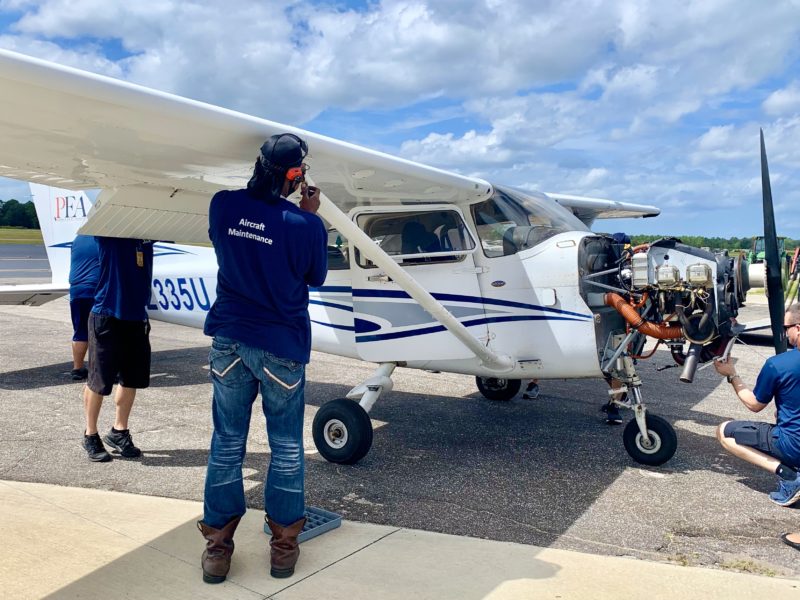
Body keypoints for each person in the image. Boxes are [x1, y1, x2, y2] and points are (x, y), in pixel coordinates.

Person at [197, 133, 328, 584]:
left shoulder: (222, 205)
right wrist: (309, 214)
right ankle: (283, 548)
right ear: (296, 175)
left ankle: (217, 548)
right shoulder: (305, 224)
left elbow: (227, 243)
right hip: (282, 346)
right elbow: (315, 276)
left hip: (230, 339)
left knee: (227, 442)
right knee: (286, 447)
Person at [713, 304, 800, 506]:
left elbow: (754, 404)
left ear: (798, 328)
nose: (784, 333)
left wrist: (732, 375)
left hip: (794, 445)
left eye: (786, 328)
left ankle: (789, 477)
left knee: (724, 432)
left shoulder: (778, 364)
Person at [82, 236, 154, 462]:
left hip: (136, 317)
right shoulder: (109, 233)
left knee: (132, 379)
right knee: (98, 381)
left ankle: (119, 431)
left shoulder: (147, 234)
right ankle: (90, 434)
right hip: (107, 315)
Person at [68, 234, 100, 380]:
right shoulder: (103, 238)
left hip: (77, 290)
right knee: (102, 332)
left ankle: (77, 368)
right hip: (96, 290)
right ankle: (101, 370)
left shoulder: (78, 239)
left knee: (80, 331)